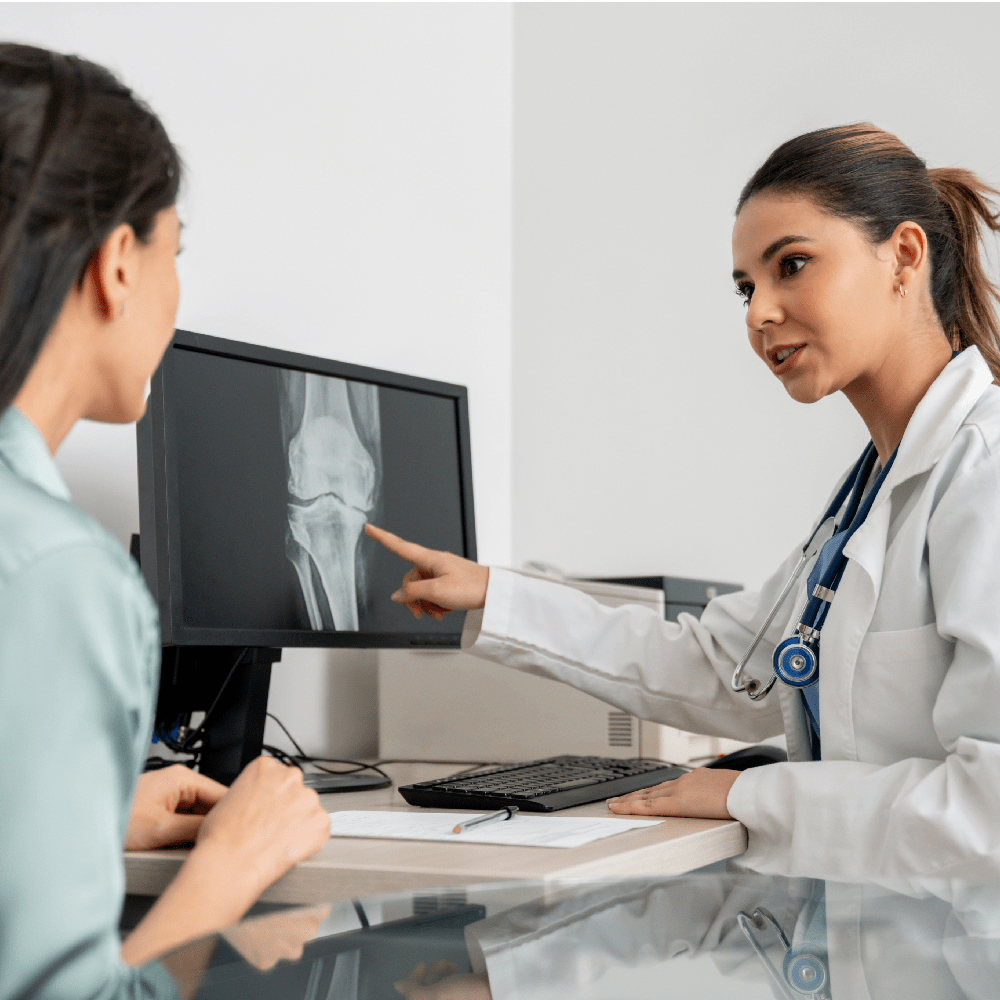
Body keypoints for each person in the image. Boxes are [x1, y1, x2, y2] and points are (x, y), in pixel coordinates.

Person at [367, 122, 1000, 884]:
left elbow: (986, 809)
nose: (758, 313)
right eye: (745, 288)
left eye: (791, 265)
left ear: (902, 256)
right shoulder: (873, 492)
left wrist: (751, 793)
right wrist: (496, 596)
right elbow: (731, 670)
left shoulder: (982, 472)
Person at [0, 43, 330, 999]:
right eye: (173, 252)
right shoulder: (58, 574)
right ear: (115, 266)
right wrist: (232, 866)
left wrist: (93, 819)